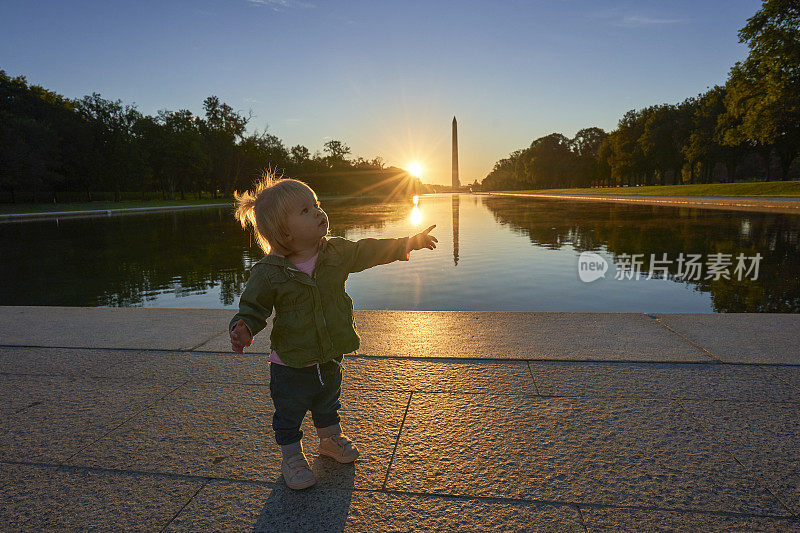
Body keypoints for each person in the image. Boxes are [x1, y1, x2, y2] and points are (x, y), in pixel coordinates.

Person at [228, 173, 437, 490]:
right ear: (284, 232)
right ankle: (292, 457)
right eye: (305, 211)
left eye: (316, 205)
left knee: (328, 402)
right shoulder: (269, 272)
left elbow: (366, 251)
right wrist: (242, 329)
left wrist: (407, 243)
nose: (318, 212)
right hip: (291, 363)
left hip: (329, 354)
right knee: (289, 413)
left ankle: (329, 440)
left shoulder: (335, 253)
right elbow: (253, 308)